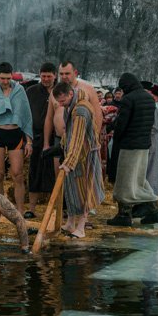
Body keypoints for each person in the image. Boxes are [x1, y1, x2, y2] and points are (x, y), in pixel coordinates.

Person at [107, 72, 158, 226]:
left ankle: (124, 215)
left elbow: (122, 124)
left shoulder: (128, 100)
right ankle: (154, 210)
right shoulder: (149, 99)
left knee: (124, 181)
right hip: (144, 145)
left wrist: (115, 136)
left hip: (129, 146)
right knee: (139, 180)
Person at [0, 62, 34, 215]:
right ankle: (0, 209)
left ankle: (20, 210)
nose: (5, 81)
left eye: (8, 78)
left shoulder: (19, 90)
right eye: (2, 78)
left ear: (12, 76)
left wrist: (29, 141)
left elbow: (26, 115)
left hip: (15, 133)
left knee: (17, 174)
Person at [54, 82, 104, 238]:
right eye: (59, 102)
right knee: (71, 188)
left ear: (70, 94)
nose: (61, 104)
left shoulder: (81, 109)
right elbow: (68, 132)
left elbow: (77, 137)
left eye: (62, 101)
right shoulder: (71, 106)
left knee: (85, 191)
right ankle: (70, 222)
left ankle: (81, 227)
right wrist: (62, 146)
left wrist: (69, 162)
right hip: (73, 153)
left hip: (86, 155)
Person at [25, 62, 57, 218]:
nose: (45, 79)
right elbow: (25, 116)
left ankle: (57, 209)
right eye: (43, 76)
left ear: (55, 75)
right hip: (36, 137)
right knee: (34, 172)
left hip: (56, 138)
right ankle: (31, 208)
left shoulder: (61, 90)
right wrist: (28, 140)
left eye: (49, 76)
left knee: (56, 173)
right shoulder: (31, 91)